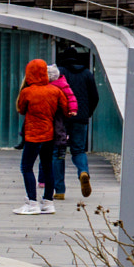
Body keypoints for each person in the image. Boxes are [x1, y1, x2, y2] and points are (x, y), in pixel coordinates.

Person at [16, 58, 65, 215]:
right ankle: (48, 202)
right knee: (47, 167)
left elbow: (21, 109)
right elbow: (64, 107)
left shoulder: (27, 92)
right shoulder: (55, 91)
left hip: (33, 135)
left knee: (26, 167)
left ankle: (32, 202)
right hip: (49, 135)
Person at [57, 45, 99, 198]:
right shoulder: (87, 73)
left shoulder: (60, 72)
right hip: (81, 117)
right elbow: (95, 97)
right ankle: (83, 171)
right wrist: (87, 113)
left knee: (59, 152)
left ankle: (59, 191)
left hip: (62, 118)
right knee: (79, 150)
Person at [45, 63, 81, 201]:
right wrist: (72, 110)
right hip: (60, 127)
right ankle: (59, 189)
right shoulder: (63, 85)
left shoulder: (48, 89)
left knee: (48, 156)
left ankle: (49, 185)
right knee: (58, 156)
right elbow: (70, 100)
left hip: (49, 127)